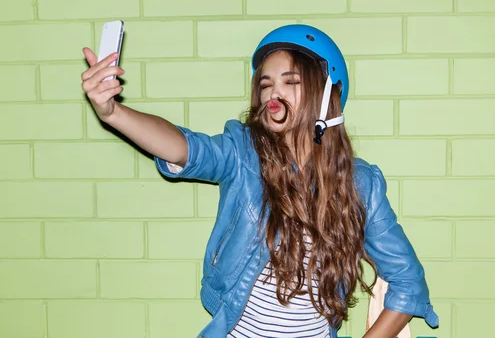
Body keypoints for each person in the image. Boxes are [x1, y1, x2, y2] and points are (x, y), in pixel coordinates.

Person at [81, 24, 438, 338]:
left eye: (290, 82)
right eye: (265, 84)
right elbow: (184, 149)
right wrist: (113, 113)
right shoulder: (243, 153)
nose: (272, 94)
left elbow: (408, 280)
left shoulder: (361, 184)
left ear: (327, 94)